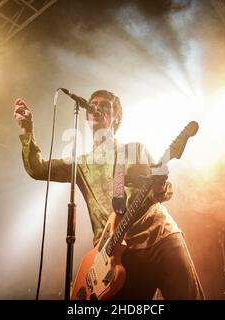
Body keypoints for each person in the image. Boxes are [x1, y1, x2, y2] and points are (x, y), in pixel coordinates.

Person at [14, 90, 204, 299]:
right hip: (113, 253)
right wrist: (27, 129)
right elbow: (38, 169)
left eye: (105, 105)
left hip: (158, 234)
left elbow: (162, 189)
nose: (97, 108)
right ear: (86, 117)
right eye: (93, 104)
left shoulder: (135, 149)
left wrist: (160, 188)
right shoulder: (82, 164)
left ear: (117, 117)